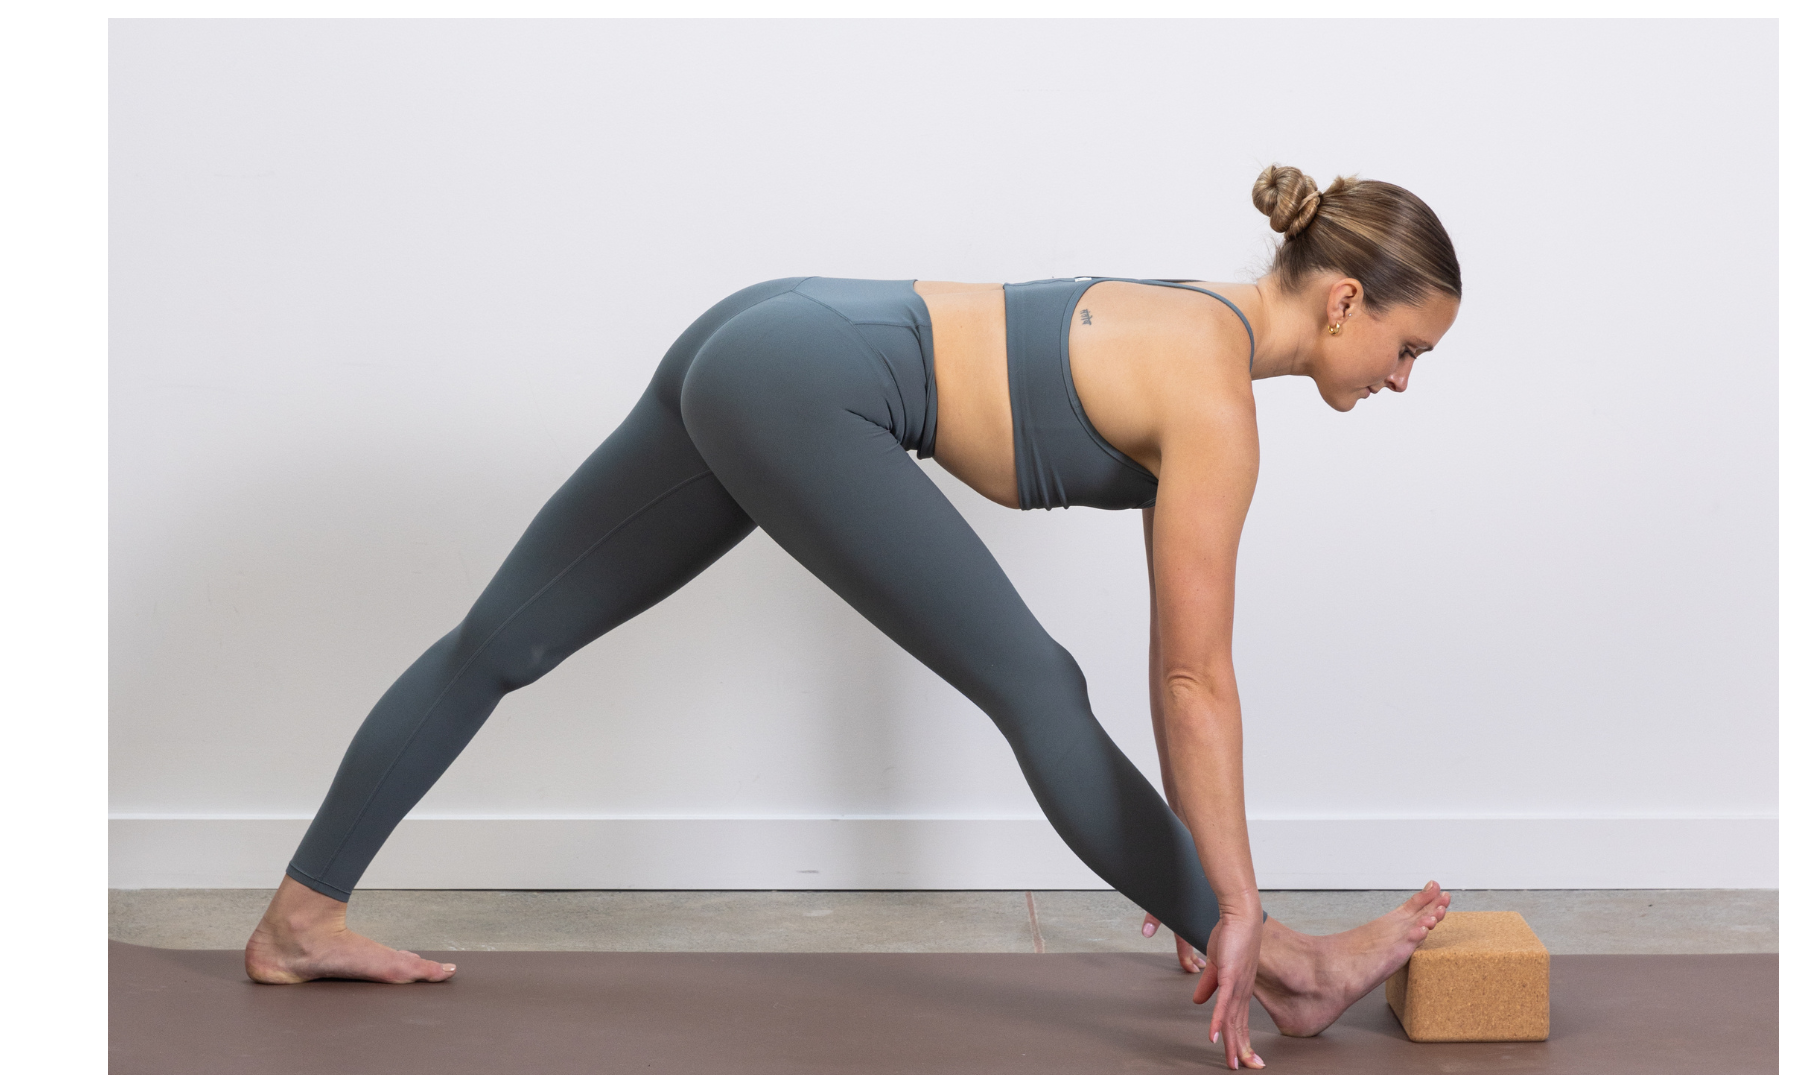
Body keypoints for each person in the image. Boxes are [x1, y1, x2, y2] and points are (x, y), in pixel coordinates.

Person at [243, 165, 1463, 1070]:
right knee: (1037, 685)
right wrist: (1237, 907)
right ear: (1347, 299)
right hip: (799, 381)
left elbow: (1182, 675)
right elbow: (1194, 683)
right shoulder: (1217, 404)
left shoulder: (1199, 319)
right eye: (1408, 349)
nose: (1402, 382)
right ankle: (1293, 971)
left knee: (501, 642)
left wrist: (1194, 868)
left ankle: (301, 922)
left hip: (767, 333)